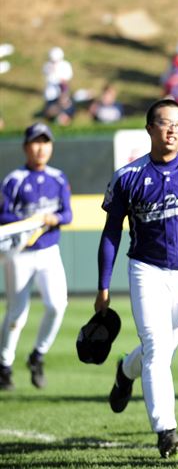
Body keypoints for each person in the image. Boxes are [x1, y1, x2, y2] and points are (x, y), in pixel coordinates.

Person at [94, 96, 178, 458]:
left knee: (162, 350)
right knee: (157, 349)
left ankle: (125, 370)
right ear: (150, 128)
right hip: (145, 269)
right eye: (166, 123)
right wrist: (103, 286)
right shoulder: (128, 176)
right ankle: (166, 431)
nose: (173, 130)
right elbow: (111, 234)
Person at [0, 123, 72, 391]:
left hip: (48, 251)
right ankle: (4, 365)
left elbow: (68, 214)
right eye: (36, 142)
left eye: (46, 142)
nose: (41, 147)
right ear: (25, 147)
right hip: (20, 254)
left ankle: (37, 356)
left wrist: (53, 218)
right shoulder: (14, 179)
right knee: (17, 313)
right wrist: (29, 222)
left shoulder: (58, 178)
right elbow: (3, 216)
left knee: (57, 305)